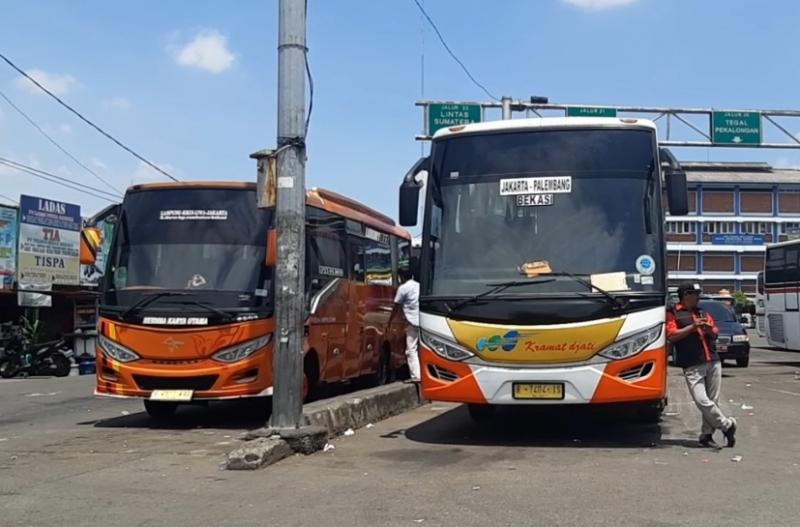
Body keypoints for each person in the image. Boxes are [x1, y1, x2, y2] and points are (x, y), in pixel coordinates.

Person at [666, 282, 737, 448]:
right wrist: (692, 327)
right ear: (685, 295)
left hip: (712, 359)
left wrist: (707, 329)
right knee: (701, 399)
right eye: (694, 294)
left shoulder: (702, 312)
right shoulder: (673, 313)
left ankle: (706, 435)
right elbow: (672, 335)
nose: (697, 298)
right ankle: (726, 425)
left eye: (698, 294)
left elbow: (715, 332)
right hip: (692, 362)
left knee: (713, 399)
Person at [390, 267, 420, 382]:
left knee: (411, 350)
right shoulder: (419, 286)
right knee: (422, 349)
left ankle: (416, 376)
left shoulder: (403, 288)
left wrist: (390, 321)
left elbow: (396, 306)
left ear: (401, 277)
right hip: (424, 321)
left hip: (412, 323)